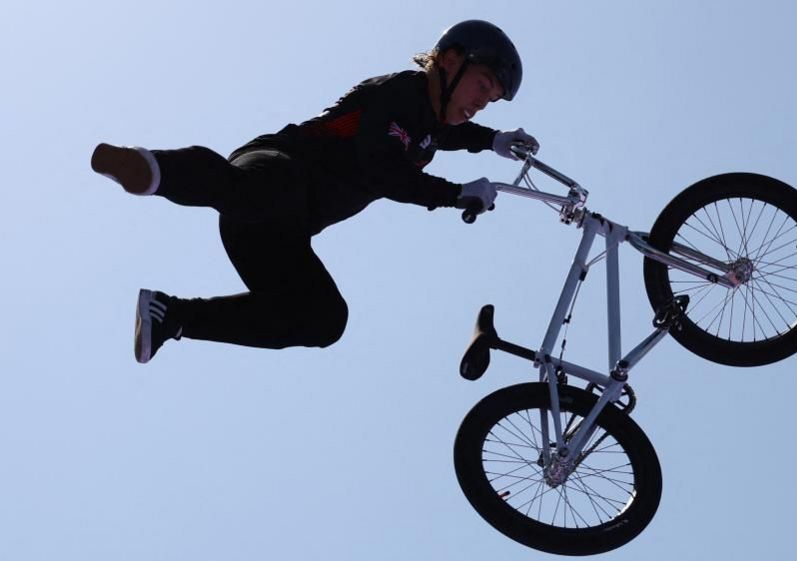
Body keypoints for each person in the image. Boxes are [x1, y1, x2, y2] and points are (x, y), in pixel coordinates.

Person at [91, 19, 538, 364]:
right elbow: (382, 172)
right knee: (262, 189)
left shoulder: (429, 129)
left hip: (276, 233)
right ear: (450, 60)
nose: (483, 101)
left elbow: (446, 135)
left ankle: (170, 316)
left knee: (324, 318)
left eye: (492, 98)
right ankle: (151, 168)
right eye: (482, 85)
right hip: (276, 167)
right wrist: (454, 192)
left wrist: (494, 140)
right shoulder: (400, 91)